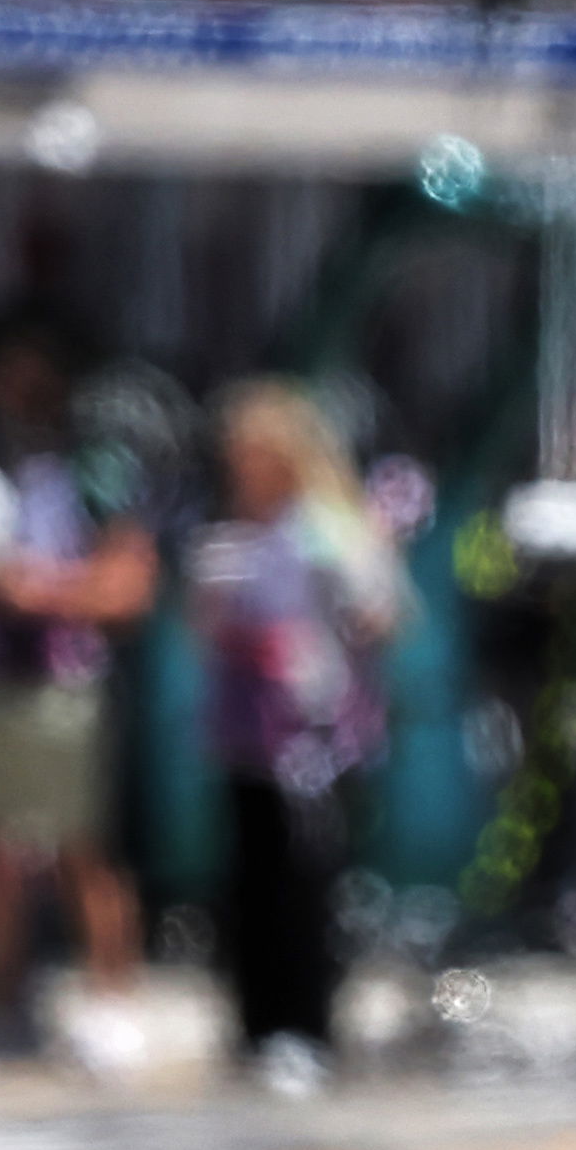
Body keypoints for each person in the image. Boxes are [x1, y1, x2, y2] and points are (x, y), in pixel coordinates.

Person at [183, 382, 406, 1093]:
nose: (245, 468)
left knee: (305, 887)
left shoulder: (328, 527)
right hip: (246, 733)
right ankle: (254, 1027)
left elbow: (385, 613)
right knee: (247, 883)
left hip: (318, 739)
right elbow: (203, 629)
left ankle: (305, 1028)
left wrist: (335, 619)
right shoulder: (230, 533)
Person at [0, 326, 153, 1030]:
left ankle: (110, 1001)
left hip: (63, 688)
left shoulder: (97, 471)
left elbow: (130, 586)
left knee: (82, 847)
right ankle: (1, 998)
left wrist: (41, 591)